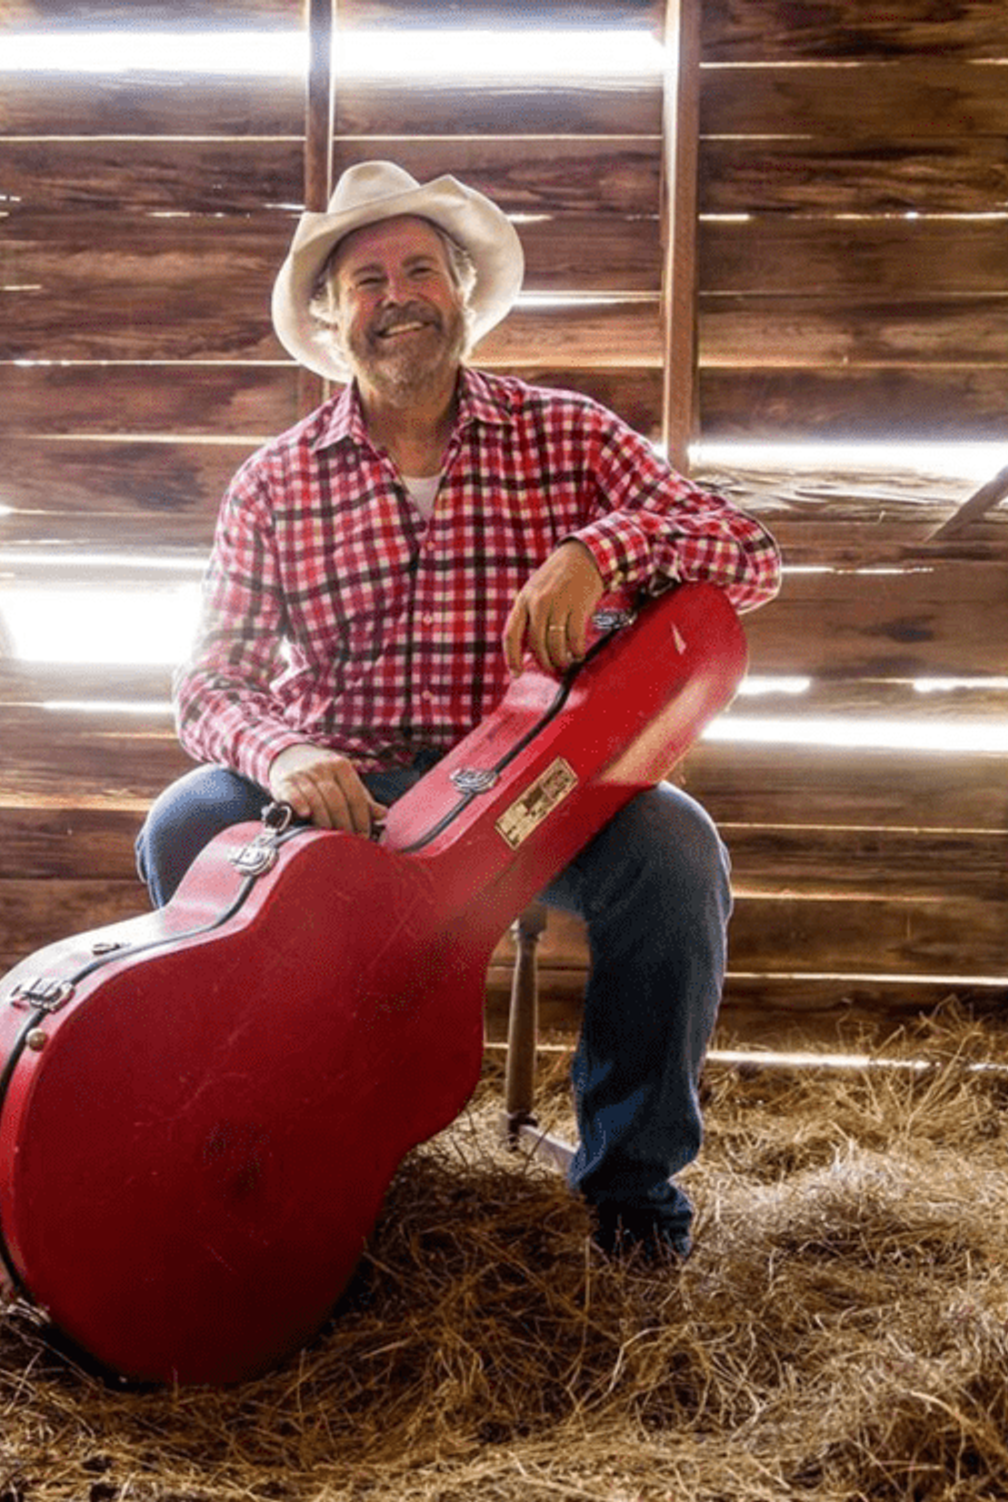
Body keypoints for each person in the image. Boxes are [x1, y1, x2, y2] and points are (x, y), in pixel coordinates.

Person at [133, 162, 781, 1262]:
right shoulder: (273, 482)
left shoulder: (565, 436)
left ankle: (630, 1193)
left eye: (421, 269)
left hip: (535, 794)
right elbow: (211, 683)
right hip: (349, 798)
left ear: (461, 294)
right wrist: (283, 748)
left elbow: (748, 555)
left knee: (676, 851)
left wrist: (599, 545)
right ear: (333, 319)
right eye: (369, 278)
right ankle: (263, 1137)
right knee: (187, 821)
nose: (398, 296)